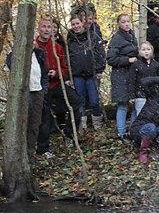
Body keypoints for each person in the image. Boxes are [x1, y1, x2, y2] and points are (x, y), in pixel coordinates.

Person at [35, 18, 82, 157]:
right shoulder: (33, 46)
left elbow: (65, 68)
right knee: (43, 117)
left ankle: (69, 135)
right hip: (40, 88)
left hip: (57, 84)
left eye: (49, 27)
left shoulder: (57, 47)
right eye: (43, 26)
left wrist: (56, 73)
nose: (46, 29)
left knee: (77, 103)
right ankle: (43, 149)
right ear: (38, 28)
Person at [6, 43, 48, 161]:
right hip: (24, 94)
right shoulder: (14, 56)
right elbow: (10, 67)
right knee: (23, 123)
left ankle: (30, 153)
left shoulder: (39, 54)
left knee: (35, 123)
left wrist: (43, 90)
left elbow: (45, 73)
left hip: (38, 92)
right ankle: (20, 154)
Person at [67, 15, 106, 130]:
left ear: (82, 23)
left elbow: (101, 53)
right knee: (80, 101)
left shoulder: (92, 36)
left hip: (92, 74)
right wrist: (68, 76)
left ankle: (97, 125)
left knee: (94, 100)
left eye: (77, 23)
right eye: (73, 24)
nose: (76, 26)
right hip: (77, 75)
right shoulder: (70, 40)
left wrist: (100, 69)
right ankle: (82, 126)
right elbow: (67, 59)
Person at [106, 13, 138, 138]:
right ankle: (121, 132)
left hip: (132, 75)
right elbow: (111, 59)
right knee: (123, 104)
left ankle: (133, 129)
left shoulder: (131, 36)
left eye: (128, 21)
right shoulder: (116, 39)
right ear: (118, 24)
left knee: (136, 102)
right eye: (123, 22)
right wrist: (128, 60)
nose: (126, 24)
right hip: (120, 76)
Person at [128, 41, 159, 119]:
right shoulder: (135, 65)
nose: (146, 51)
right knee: (141, 117)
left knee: (154, 116)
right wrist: (131, 96)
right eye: (143, 49)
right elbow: (131, 81)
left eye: (148, 49)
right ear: (139, 52)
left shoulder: (157, 65)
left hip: (154, 95)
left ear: (152, 50)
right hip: (140, 95)